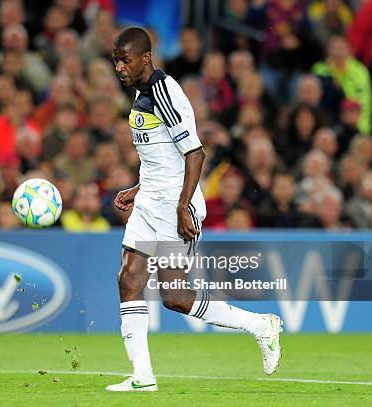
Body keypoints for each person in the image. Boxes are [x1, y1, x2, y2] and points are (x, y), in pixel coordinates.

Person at [106, 27, 282, 393]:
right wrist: (137, 189)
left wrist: (183, 206)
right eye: (116, 60)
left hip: (174, 206)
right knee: (129, 280)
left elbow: (195, 153)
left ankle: (261, 326)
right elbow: (162, 159)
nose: (119, 67)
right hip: (150, 201)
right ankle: (142, 376)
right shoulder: (141, 93)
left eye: (125, 59)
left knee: (174, 297)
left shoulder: (163, 92)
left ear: (145, 57)